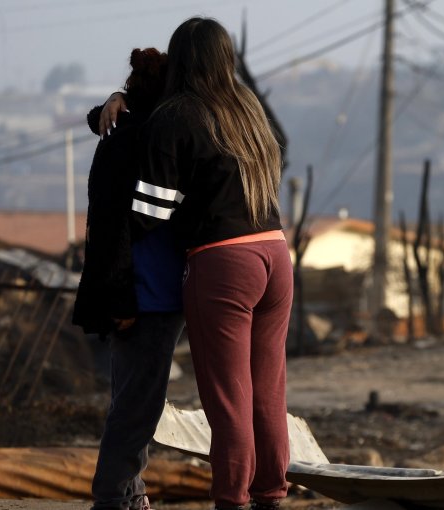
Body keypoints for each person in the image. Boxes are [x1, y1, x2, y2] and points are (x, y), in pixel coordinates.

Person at [106, 17, 293, 510]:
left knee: (229, 399)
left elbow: (150, 212)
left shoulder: (177, 115)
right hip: (275, 253)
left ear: (180, 60)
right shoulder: (247, 107)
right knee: (267, 392)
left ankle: (232, 500)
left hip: (223, 263)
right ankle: (271, 496)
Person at [73, 47, 186, 510]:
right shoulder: (147, 139)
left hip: (139, 292)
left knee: (130, 400)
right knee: (138, 408)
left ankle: (129, 492)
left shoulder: (122, 134)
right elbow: (117, 226)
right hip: (147, 295)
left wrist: (114, 101)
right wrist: (122, 299)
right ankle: (114, 497)